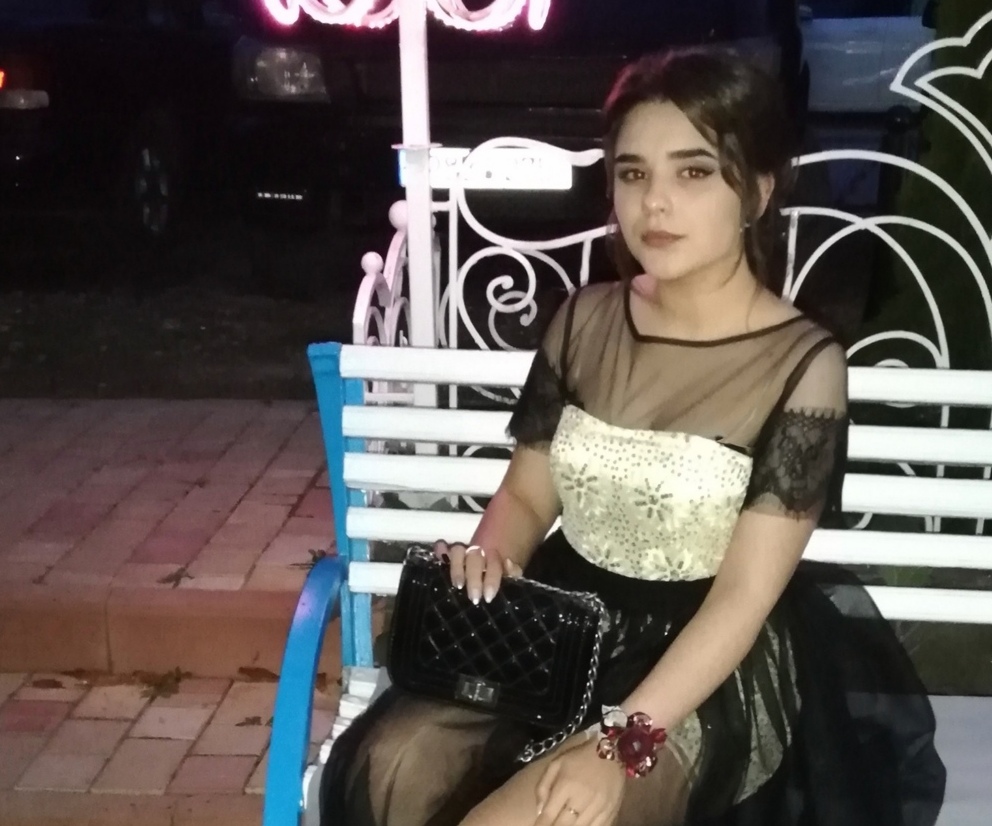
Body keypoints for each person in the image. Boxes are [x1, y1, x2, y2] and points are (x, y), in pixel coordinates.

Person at [320, 47, 946, 826]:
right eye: (632, 173)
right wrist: (492, 558)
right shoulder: (584, 320)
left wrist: (621, 744)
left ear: (756, 190)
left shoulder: (802, 365)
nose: (655, 202)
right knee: (391, 767)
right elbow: (526, 494)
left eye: (693, 172)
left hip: (706, 666)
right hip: (564, 627)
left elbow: (745, 596)